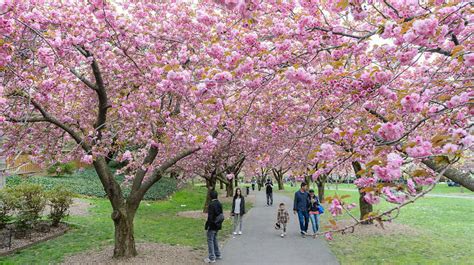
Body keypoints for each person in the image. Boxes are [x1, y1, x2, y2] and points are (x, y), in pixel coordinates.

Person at [205, 190, 223, 263]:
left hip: (212, 225)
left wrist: (207, 226)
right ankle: (218, 254)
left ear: (210, 196)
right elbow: (221, 214)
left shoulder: (211, 204)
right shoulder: (219, 203)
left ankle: (212, 257)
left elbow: (210, 217)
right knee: (214, 239)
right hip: (218, 224)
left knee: (210, 240)